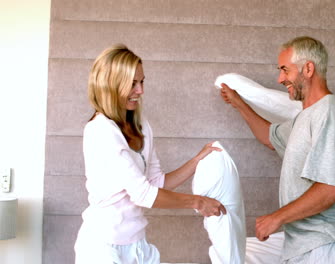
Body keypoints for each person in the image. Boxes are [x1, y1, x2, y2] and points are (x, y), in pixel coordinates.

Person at [74, 44, 226, 264]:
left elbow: (156, 182)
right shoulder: (100, 131)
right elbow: (143, 194)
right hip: (103, 247)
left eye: (142, 81)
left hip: (137, 245)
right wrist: (199, 203)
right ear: (110, 85)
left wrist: (196, 161)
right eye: (132, 83)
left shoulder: (141, 124)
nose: (140, 91)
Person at [220, 36, 335, 263]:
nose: (279, 78)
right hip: (301, 243)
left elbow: (332, 188)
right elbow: (269, 137)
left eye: (285, 70)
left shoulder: (329, 113)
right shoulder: (304, 118)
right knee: (238, 252)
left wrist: (277, 218)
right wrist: (239, 104)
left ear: (308, 68)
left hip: (323, 244)